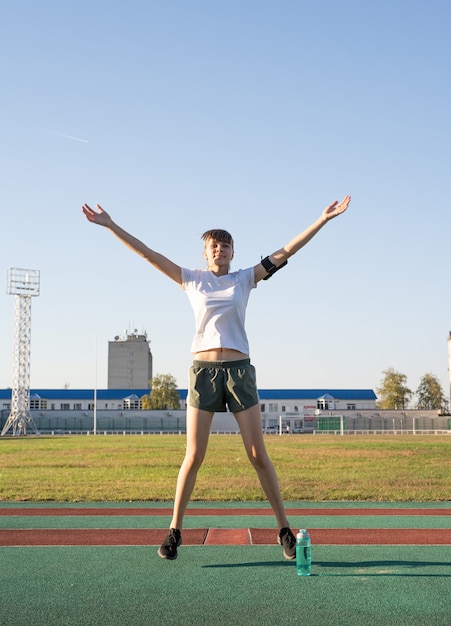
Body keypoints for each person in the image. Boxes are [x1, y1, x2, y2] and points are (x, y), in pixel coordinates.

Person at [82, 195, 351, 560]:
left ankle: (284, 528)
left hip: (240, 372)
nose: (219, 249)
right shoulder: (191, 280)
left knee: (258, 454)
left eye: (225, 245)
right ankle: (174, 532)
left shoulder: (245, 279)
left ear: (232, 252)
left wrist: (323, 219)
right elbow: (148, 254)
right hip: (204, 372)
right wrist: (111, 225)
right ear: (205, 254)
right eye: (213, 245)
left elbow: (287, 250)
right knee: (194, 455)